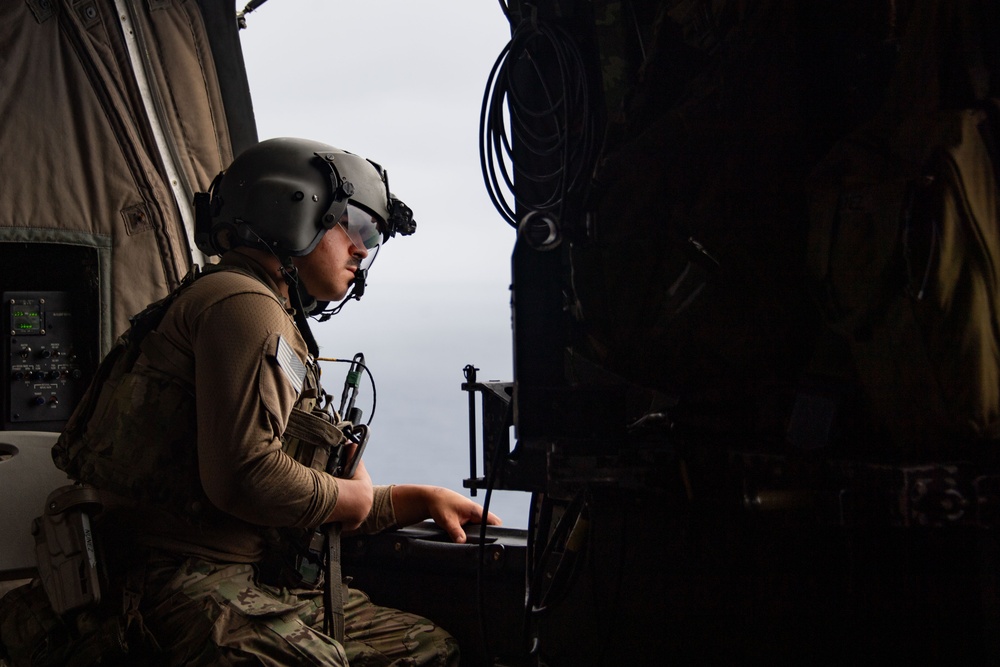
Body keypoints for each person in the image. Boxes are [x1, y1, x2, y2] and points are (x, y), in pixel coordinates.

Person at [1, 137, 500, 666]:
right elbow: (249, 476)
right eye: (355, 227)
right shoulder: (243, 306)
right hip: (163, 584)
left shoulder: (256, 308)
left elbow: (307, 491)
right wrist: (356, 499)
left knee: (429, 650)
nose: (362, 248)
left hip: (236, 573)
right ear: (294, 210)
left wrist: (417, 499)